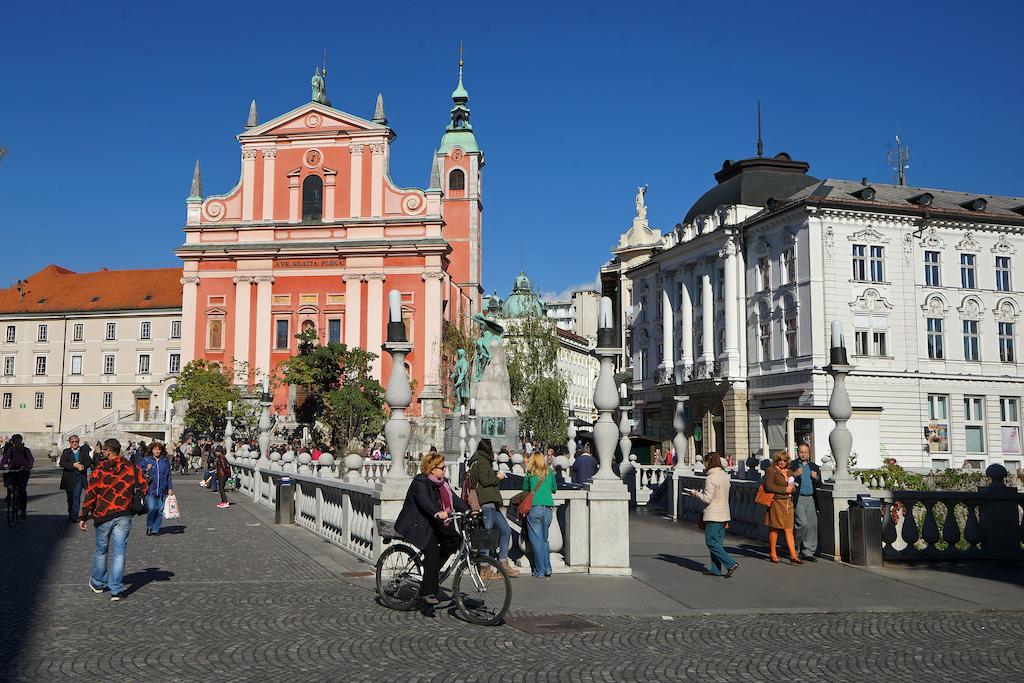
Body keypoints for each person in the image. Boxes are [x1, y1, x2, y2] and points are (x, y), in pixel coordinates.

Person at [395, 452, 469, 606]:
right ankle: (427, 591)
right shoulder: (420, 481)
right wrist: (437, 512)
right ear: (432, 468)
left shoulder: (442, 483)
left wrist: (469, 510)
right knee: (433, 550)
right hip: (419, 524)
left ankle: (432, 568)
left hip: (434, 522)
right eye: (442, 467)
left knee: (454, 539)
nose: (445, 470)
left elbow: (454, 499)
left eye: (445, 467)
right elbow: (424, 501)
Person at [80, 439, 147, 601]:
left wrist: (84, 515)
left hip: (103, 514)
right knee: (119, 553)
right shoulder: (131, 467)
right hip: (124, 513)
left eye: (104, 451)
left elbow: (91, 493)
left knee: (101, 550)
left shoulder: (101, 469)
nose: (102, 453)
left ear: (109, 451)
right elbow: (144, 486)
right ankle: (116, 589)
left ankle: (97, 582)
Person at [466, 438, 518, 577]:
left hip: (491, 502)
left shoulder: (479, 461)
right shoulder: (482, 461)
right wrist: (498, 477)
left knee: (505, 529)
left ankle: (503, 562)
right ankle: (484, 568)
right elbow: (485, 480)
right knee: (486, 534)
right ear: (488, 448)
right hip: (486, 501)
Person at [687, 452, 739, 577]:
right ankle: (715, 569)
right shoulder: (724, 476)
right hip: (724, 513)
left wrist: (695, 493)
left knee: (710, 542)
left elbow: (707, 499)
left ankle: (730, 563)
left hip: (713, 514)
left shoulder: (711, 477)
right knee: (718, 543)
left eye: (705, 462)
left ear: (709, 462)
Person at [522, 451, 557, 578]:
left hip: (535, 508)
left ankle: (539, 570)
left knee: (536, 541)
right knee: (544, 540)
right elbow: (554, 489)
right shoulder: (549, 472)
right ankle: (548, 568)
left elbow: (525, 490)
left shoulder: (529, 473)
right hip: (548, 509)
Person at [763, 450, 801, 564]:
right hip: (777, 502)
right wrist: (784, 490)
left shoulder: (789, 471)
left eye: (784, 460)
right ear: (776, 460)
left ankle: (794, 556)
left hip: (788, 503)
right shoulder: (771, 470)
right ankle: (773, 553)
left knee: (789, 529)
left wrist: (792, 488)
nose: (782, 462)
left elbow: (792, 486)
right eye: (780, 460)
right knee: (774, 528)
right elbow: (769, 486)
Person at [791, 443, 821, 561]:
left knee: (812, 526)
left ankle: (808, 551)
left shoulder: (814, 466)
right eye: (801, 452)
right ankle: (794, 546)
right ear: (797, 453)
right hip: (798, 498)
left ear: (809, 453)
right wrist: (794, 474)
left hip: (811, 498)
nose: (803, 454)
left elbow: (820, 483)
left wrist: (816, 477)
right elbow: (786, 479)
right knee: (802, 523)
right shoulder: (792, 465)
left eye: (805, 452)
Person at [139, 442, 173, 536]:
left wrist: (170, 488)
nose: (157, 451)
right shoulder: (146, 460)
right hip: (150, 489)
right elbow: (137, 470)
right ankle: (149, 526)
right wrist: (146, 468)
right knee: (152, 508)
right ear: (151, 450)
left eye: (159, 449)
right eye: (155, 449)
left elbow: (168, 476)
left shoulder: (165, 461)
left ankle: (155, 529)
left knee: (160, 510)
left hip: (162, 489)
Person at [59, 435, 93, 522]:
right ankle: (71, 513)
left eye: (76, 442)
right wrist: (73, 465)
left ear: (78, 442)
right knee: (70, 497)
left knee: (76, 496)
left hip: (79, 477)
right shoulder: (66, 452)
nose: (74, 443)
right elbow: (62, 463)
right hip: (69, 478)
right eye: (72, 442)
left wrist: (83, 466)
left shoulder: (83, 451)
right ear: (69, 443)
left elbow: (89, 461)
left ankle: (74, 516)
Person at [0, 434, 34, 520]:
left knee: (22, 490)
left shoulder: (25, 450)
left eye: (18, 441)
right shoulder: (11, 449)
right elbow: (5, 458)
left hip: (23, 470)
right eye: (15, 441)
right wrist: (1, 465)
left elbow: (31, 459)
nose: (16, 443)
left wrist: (29, 466)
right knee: (7, 476)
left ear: (21, 441)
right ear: (13, 442)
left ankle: (23, 510)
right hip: (13, 468)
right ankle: (9, 494)